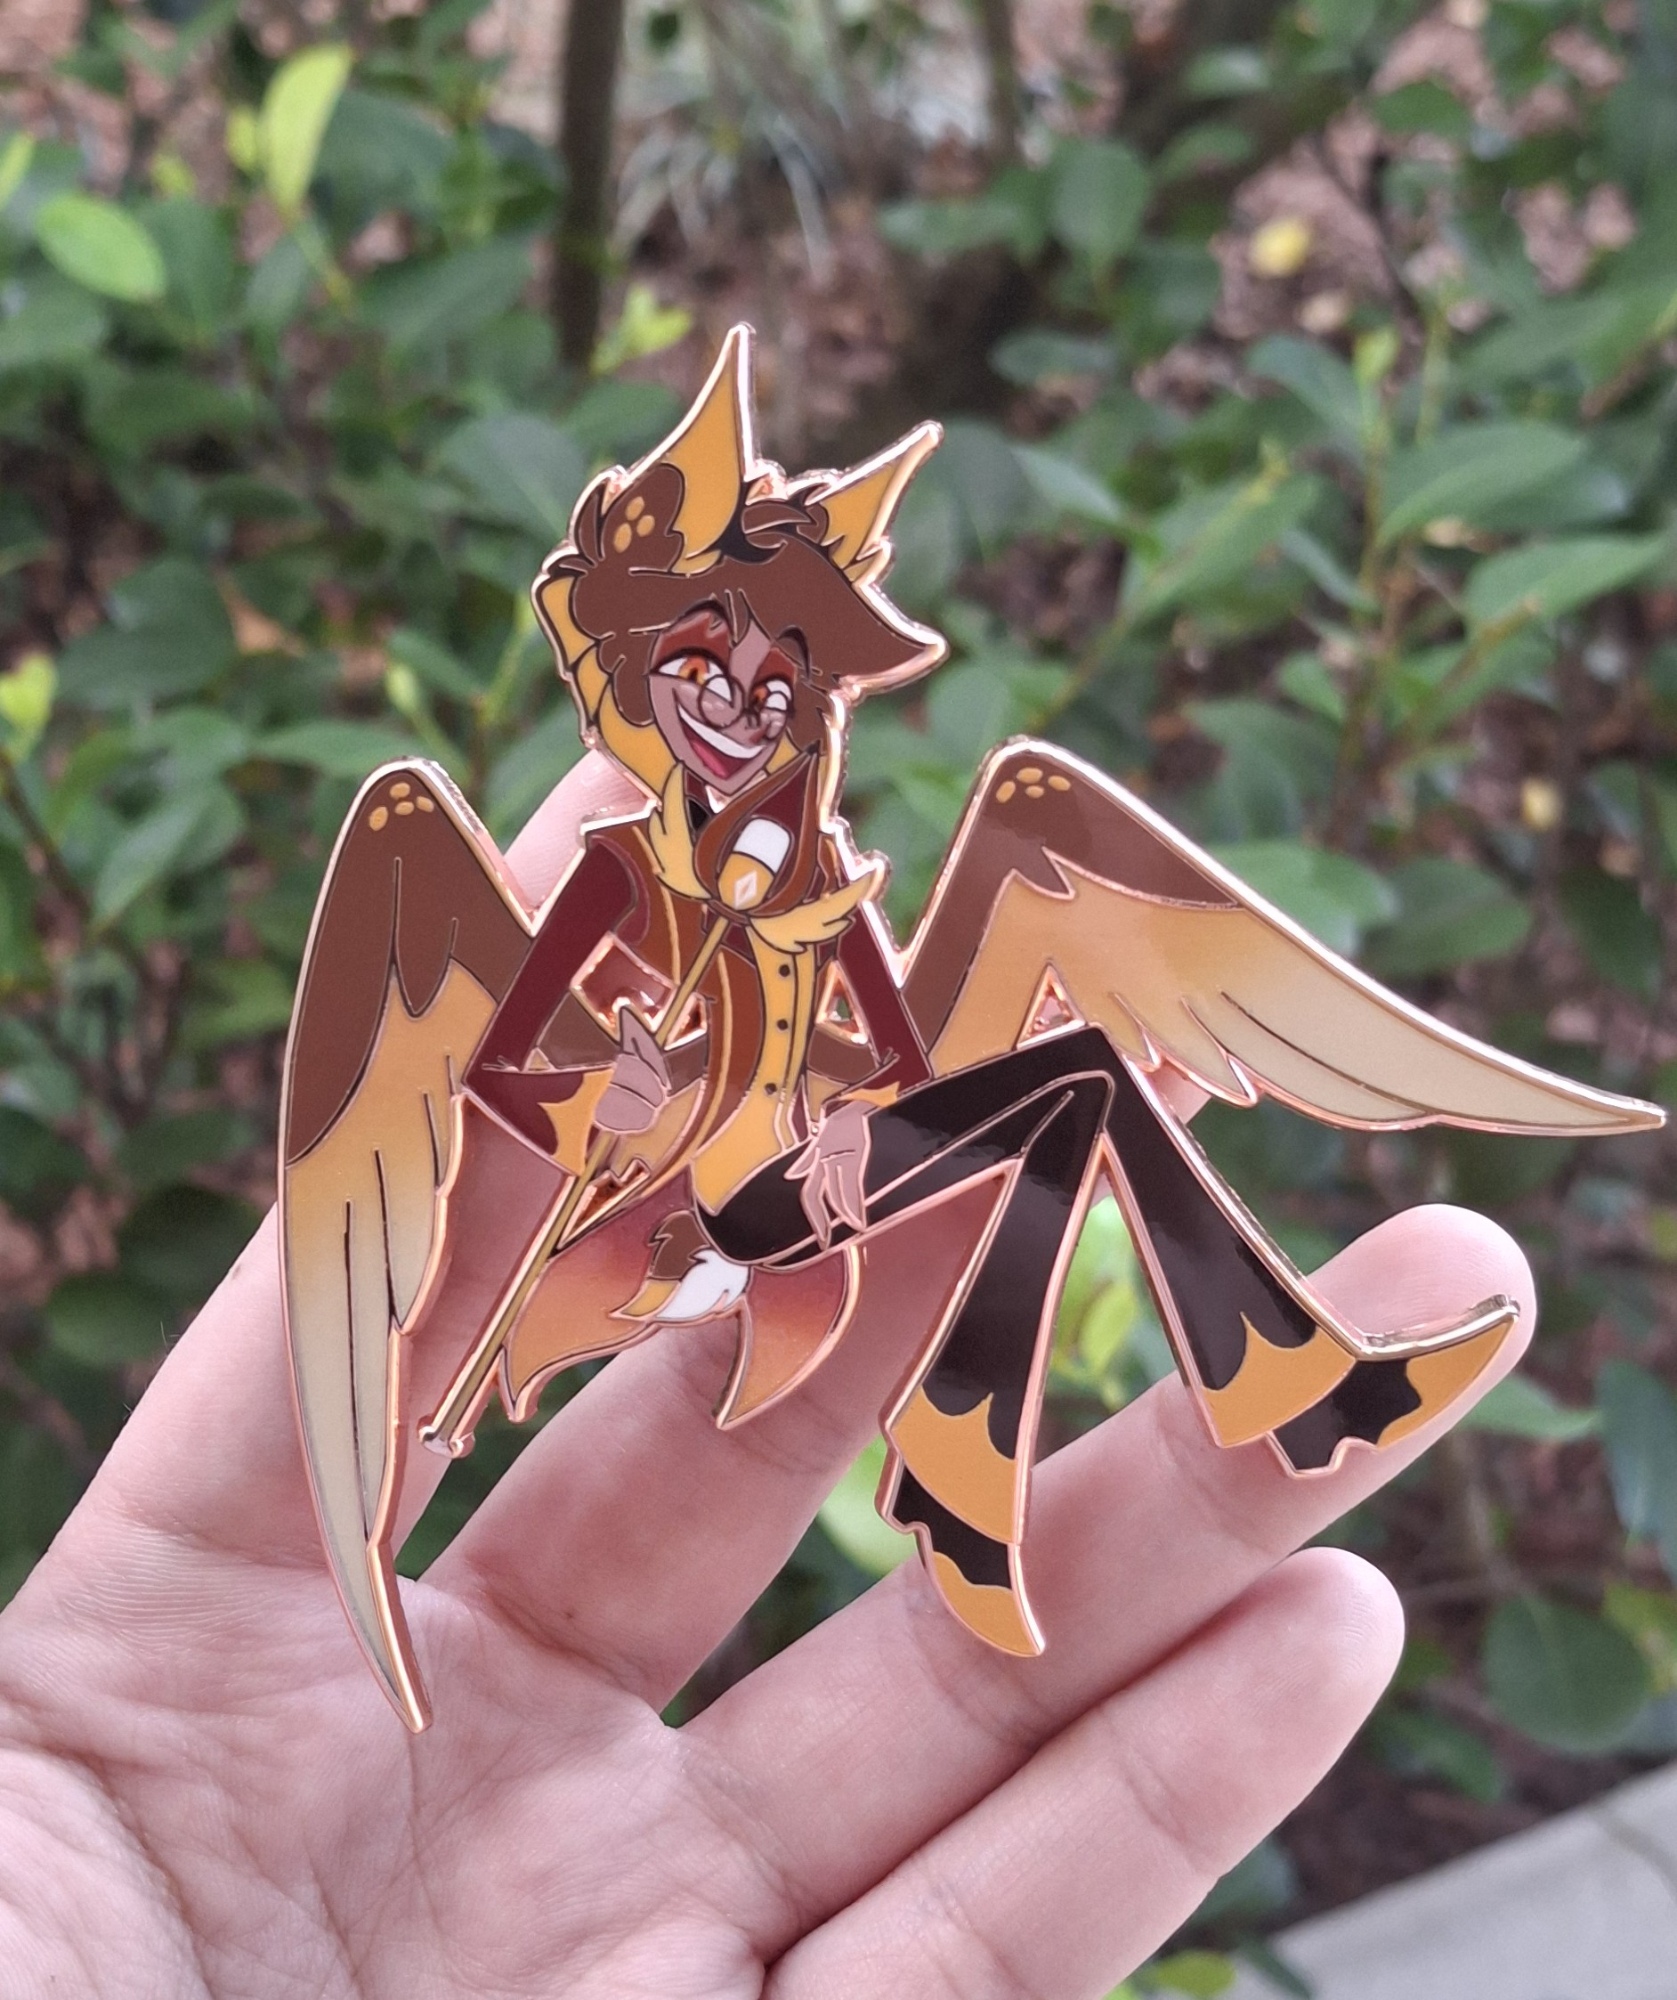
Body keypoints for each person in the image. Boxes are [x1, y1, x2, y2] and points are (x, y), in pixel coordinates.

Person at [0, 749, 1534, 1998]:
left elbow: (881, 1051)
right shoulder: (618, 872)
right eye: (711, 675)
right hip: (672, 1212)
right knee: (1065, 1091)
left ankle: (1052, 1424)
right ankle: (1117, 1411)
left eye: (772, 679)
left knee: (1071, 1090)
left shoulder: (809, 869)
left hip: (793, 1184)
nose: (745, 710)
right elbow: (518, 1077)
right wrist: (621, 1098)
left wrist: (857, 1115)